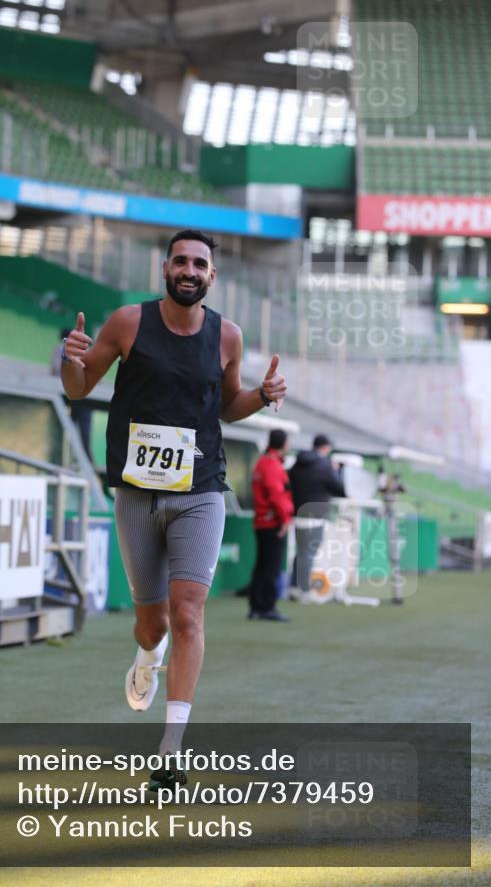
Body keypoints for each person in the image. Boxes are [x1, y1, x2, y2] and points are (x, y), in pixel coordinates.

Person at [60, 229, 287, 788]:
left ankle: (171, 747)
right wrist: (70, 359)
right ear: (165, 269)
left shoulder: (227, 336)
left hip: (200, 490)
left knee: (188, 613)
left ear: (212, 276)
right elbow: (78, 389)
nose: (189, 270)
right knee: (153, 623)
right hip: (136, 492)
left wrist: (262, 396)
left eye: (199, 264)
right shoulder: (127, 323)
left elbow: (228, 407)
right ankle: (147, 657)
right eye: (180, 261)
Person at [288, 433, 346, 599]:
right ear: (326, 447)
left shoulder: (297, 463)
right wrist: (336, 471)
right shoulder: (325, 465)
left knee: (301, 552)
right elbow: (339, 488)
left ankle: (294, 587)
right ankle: (304, 590)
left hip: (298, 513)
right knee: (308, 553)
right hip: (315, 515)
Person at [248, 428, 294, 622]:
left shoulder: (262, 462)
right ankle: (266, 607)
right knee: (271, 567)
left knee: (262, 565)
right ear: (284, 444)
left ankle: (256, 607)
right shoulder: (273, 465)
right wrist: (285, 519)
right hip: (272, 521)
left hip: (262, 521)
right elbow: (277, 495)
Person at [51, 327, 92, 458]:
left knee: (71, 430)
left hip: (72, 395)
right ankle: (82, 458)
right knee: (79, 431)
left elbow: (54, 370)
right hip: (75, 395)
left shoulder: (60, 350)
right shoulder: (63, 350)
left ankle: (81, 459)